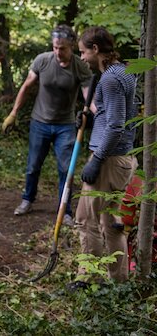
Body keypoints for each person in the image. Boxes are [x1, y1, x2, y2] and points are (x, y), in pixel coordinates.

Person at [2, 25, 92, 226]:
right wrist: (13, 113)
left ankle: (65, 210)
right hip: (40, 122)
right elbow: (26, 86)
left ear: (71, 46)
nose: (58, 52)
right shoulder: (42, 60)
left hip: (66, 126)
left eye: (62, 48)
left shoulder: (80, 66)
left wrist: (94, 111)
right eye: (55, 47)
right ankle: (27, 199)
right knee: (33, 166)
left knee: (65, 169)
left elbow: (87, 95)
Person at [73, 26, 137, 284]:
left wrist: (97, 159)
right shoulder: (123, 72)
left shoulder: (110, 79)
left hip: (109, 159)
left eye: (83, 52)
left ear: (96, 49)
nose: (82, 58)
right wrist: (91, 116)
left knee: (85, 219)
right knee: (111, 222)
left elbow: (116, 124)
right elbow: (112, 113)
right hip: (122, 158)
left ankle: (88, 280)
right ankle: (118, 280)